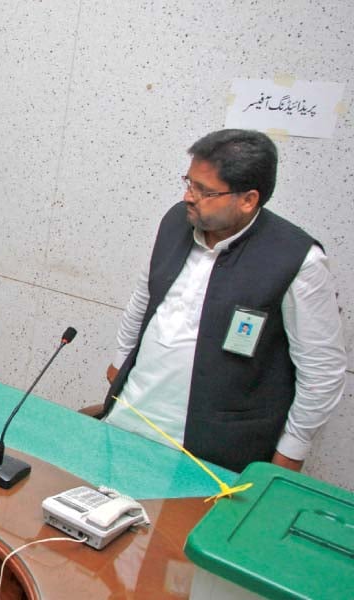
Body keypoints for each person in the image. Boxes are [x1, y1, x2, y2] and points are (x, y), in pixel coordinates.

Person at [101, 129, 346, 474]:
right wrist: (119, 362)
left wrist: (291, 450)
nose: (189, 196)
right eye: (189, 182)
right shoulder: (176, 221)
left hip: (218, 448)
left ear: (247, 200)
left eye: (204, 191)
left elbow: (322, 370)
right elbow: (145, 297)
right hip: (133, 415)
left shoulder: (298, 259)